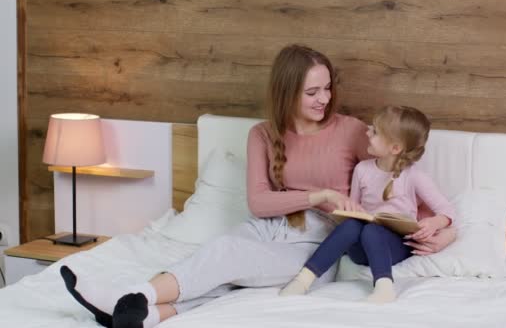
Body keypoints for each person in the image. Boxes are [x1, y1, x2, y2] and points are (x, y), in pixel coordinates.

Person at [59, 45, 456, 328]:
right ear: (288, 92)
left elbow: (400, 194)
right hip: (269, 226)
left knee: (226, 255)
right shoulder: (261, 135)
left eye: (328, 88)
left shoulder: (353, 132)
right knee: (221, 260)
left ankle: (132, 294)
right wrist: (317, 195)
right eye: (312, 92)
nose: (325, 99)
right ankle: (151, 315)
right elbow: (259, 203)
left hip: (318, 245)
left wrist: (444, 230)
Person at [280, 105, 455, 303]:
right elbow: (354, 208)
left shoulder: (414, 176)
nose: (367, 132)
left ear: (395, 148)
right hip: (361, 249)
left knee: (372, 231)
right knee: (352, 225)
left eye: (375, 132)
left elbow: (447, 210)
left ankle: (384, 288)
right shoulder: (362, 170)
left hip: (395, 247)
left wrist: (435, 223)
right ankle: (303, 280)